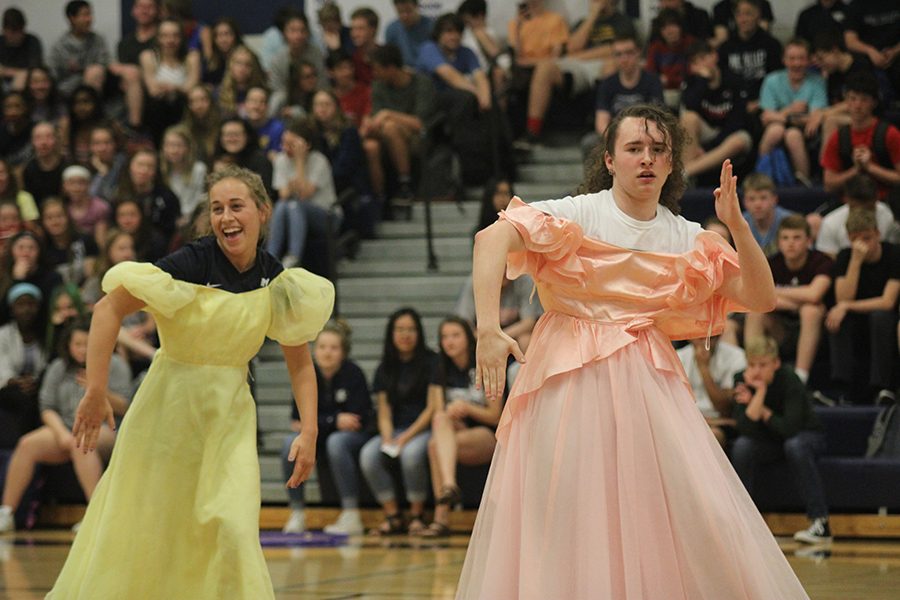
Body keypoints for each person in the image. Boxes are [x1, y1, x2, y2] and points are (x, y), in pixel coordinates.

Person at [458, 103, 809, 598]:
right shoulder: (579, 213)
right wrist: (487, 328)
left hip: (645, 379)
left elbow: (760, 296)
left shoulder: (686, 236)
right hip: (567, 376)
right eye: (634, 148)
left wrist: (738, 224)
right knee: (566, 515)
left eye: (658, 149)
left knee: (683, 508)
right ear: (609, 159)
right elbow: (492, 239)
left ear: (671, 163)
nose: (647, 158)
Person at [42, 165, 334, 598]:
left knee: (234, 527)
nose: (226, 217)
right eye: (217, 208)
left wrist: (308, 429)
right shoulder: (192, 261)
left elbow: (301, 363)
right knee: (148, 529)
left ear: (263, 212)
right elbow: (107, 310)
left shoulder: (276, 279)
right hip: (167, 414)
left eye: (237, 206)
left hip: (229, 419)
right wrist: (96, 389)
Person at [0, 317, 131, 535]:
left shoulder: (115, 365)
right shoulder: (58, 367)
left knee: (81, 443)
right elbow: (47, 407)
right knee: (27, 444)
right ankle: (7, 512)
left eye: (88, 344)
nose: (83, 350)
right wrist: (61, 434)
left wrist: (98, 390)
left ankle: (95, 515)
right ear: (68, 345)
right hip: (66, 427)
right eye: (78, 344)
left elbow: (126, 406)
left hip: (105, 428)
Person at [729, 336, 831, 544]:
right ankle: (743, 522)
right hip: (770, 441)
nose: (755, 371)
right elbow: (745, 428)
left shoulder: (789, 379)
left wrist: (762, 407)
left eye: (762, 365)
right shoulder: (741, 378)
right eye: (751, 364)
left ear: (775, 363)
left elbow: (789, 429)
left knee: (795, 446)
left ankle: (820, 522)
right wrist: (760, 393)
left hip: (807, 436)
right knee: (741, 446)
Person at [281, 320, 374, 535]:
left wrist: (321, 423)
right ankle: (297, 513)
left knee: (337, 442)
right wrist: (333, 420)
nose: (327, 353)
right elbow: (296, 421)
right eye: (322, 347)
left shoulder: (353, 373)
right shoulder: (307, 374)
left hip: (352, 438)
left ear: (344, 351)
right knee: (289, 444)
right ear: (314, 350)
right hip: (320, 436)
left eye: (334, 348)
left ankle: (351, 514)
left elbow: (356, 420)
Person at [360, 307, 436, 536]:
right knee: (369, 455)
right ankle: (393, 515)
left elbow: (432, 407)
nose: (406, 334)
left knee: (411, 454)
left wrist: (407, 436)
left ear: (419, 333)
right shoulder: (385, 368)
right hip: (396, 428)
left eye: (411, 329)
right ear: (391, 334)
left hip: (423, 428)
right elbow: (384, 409)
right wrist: (387, 436)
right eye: (400, 329)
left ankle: (417, 515)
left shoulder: (431, 361)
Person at [422, 316, 500, 537]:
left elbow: (495, 415)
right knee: (438, 429)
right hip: (455, 434)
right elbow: (439, 413)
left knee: (435, 445)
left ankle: (442, 514)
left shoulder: (485, 362)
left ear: (468, 337)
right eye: (444, 337)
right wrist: (453, 414)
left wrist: (467, 408)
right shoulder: (440, 368)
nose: (449, 342)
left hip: (486, 435)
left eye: (455, 335)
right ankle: (448, 489)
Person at [744, 215, 833, 385]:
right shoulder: (771, 263)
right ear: (778, 242)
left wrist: (777, 292)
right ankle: (751, 369)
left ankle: (800, 377)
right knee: (756, 311)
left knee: (811, 310)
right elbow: (758, 295)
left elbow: (814, 295)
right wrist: (799, 300)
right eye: (785, 238)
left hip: (819, 331)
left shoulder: (822, 261)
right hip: (781, 329)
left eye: (797, 238)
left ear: (808, 241)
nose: (790, 243)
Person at [825, 207, 900, 405]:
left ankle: (881, 387)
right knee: (836, 315)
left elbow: (887, 302)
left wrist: (847, 306)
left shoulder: (893, 254)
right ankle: (842, 388)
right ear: (849, 238)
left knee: (879, 316)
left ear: (878, 234)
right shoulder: (845, 257)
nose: (862, 245)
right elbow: (842, 297)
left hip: (885, 320)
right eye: (856, 239)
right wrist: (855, 262)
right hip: (857, 321)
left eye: (867, 238)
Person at [265, 117, 336, 268]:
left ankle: (294, 257)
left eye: (291, 144)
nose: (284, 148)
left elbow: (304, 194)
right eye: (283, 143)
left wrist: (299, 162)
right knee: (283, 205)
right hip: (292, 212)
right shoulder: (281, 161)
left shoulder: (319, 161)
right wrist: (292, 185)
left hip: (326, 215)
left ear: (306, 145)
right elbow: (283, 194)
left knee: (294, 205)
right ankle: (270, 257)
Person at [581, 33, 664, 159]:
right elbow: (601, 122)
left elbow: (657, 119)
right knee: (589, 143)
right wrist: (619, 140)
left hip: (646, 135)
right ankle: (596, 179)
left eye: (629, 53)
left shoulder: (652, 81)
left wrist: (636, 140)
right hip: (615, 136)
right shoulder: (607, 84)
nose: (624, 58)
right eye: (618, 54)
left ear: (638, 53)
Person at [757, 38, 827, 185]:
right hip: (775, 129)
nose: (796, 63)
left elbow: (816, 117)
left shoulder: (817, 81)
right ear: (784, 60)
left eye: (801, 59)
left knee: (793, 135)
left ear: (808, 61)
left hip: (807, 133)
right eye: (792, 58)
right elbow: (766, 117)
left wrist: (782, 116)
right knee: (775, 130)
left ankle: (804, 182)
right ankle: (761, 181)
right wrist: (790, 110)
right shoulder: (772, 80)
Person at [680, 41, 753, 182]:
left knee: (738, 141)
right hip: (706, 132)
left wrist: (708, 148)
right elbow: (690, 106)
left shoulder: (734, 79)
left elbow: (738, 121)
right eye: (695, 63)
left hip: (731, 134)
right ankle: (688, 180)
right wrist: (702, 81)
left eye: (703, 58)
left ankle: (685, 173)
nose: (701, 65)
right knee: (689, 118)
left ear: (714, 56)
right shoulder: (692, 82)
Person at [820, 71, 900, 198]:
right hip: (849, 203)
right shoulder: (838, 137)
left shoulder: (890, 134)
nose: (857, 105)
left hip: (885, 201)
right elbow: (829, 184)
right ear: (846, 101)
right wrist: (856, 170)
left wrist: (870, 167)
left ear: (873, 103)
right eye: (853, 99)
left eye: (864, 100)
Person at [0, 283, 47, 452]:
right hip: (8, 387)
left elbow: (45, 366)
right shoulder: (4, 334)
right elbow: (2, 367)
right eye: (21, 304)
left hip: (35, 386)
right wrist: (17, 382)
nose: (27, 309)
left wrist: (34, 382)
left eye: (31, 304)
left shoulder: (43, 335)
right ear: (12, 308)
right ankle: (20, 448)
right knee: (20, 398)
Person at [677, 336, 746, 446]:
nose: (705, 342)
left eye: (710, 337)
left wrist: (703, 368)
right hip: (688, 420)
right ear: (690, 336)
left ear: (719, 333)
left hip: (719, 425)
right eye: (699, 337)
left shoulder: (736, 357)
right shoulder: (678, 357)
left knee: (710, 436)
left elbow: (725, 409)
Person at [815, 173, 898, 259]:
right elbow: (827, 258)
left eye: (868, 208)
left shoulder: (889, 216)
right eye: (856, 208)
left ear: (877, 198)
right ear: (846, 199)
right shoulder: (830, 223)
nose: (862, 213)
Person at [48, 0, 110, 98]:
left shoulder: (98, 40)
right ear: (72, 18)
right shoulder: (59, 46)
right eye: (85, 15)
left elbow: (104, 64)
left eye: (90, 14)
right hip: (67, 91)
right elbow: (52, 74)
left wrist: (84, 71)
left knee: (95, 71)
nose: (89, 19)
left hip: (95, 87)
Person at [741, 173, 795, 256]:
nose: (758, 204)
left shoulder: (790, 221)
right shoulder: (739, 223)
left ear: (774, 199)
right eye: (752, 199)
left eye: (763, 198)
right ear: (744, 202)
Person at [20, 121, 68, 205]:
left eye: (49, 137)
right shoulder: (28, 169)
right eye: (38, 138)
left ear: (56, 139)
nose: (43, 142)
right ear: (32, 142)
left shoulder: (68, 166)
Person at [0, 8, 44, 92]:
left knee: (22, 77)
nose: (17, 35)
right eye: (12, 32)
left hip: (26, 82)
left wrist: (11, 72)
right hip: (3, 81)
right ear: (4, 30)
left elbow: (34, 67)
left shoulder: (32, 41)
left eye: (20, 31)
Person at [386, 0, 434, 67]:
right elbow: (391, 59)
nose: (405, 16)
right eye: (400, 12)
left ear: (416, 7)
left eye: (408, 11)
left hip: (427, 71)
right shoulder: (392, 30)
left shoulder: (431, 27)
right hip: (403, 72)